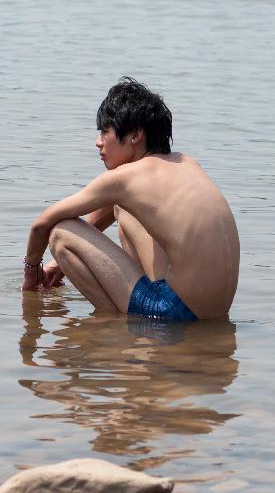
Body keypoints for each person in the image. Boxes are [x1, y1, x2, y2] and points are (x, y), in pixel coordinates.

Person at [22, 78, 239, 321]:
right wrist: (57, 266)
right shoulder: (186, 162)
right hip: (216, 312)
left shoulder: (126, 178)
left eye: (105, 131)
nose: (98, 141)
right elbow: (112, 203)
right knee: (122, 208)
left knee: (62, 234)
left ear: (135, 135)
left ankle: (118, 322)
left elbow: (42, 224)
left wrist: (32, 274)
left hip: (173, 312)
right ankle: (135, 314)